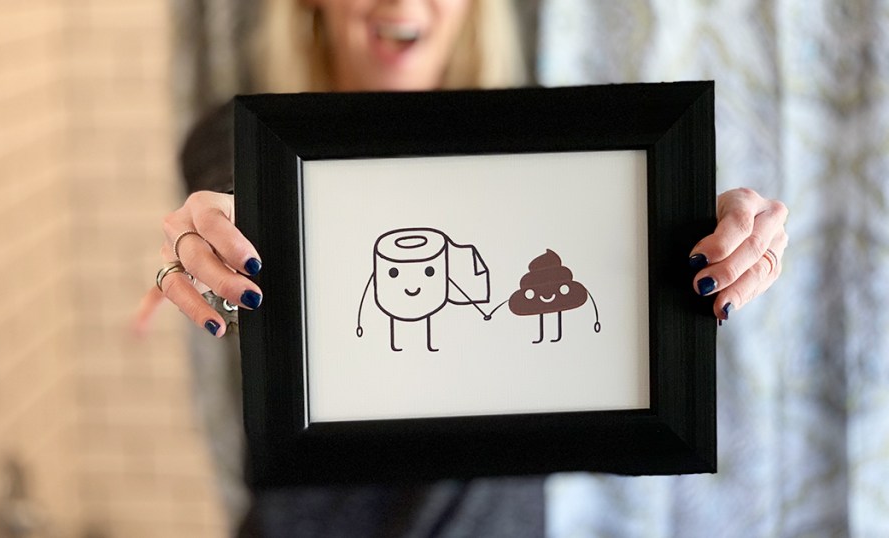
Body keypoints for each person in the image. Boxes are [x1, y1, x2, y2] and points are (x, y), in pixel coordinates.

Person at [138, 0, 790, 536]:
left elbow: (622, 265)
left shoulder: (557, 142)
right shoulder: (237, 139)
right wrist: (215, 232)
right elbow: (226, 189)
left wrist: (699, 230)